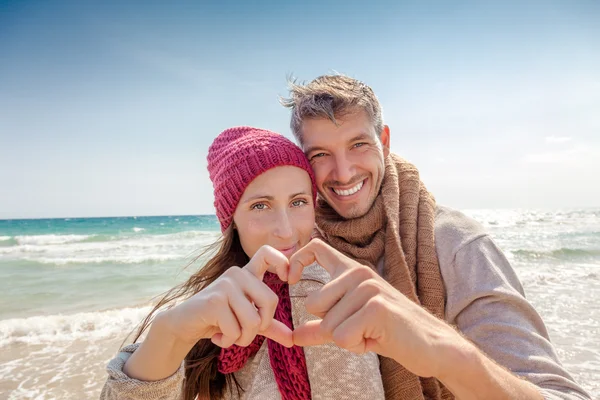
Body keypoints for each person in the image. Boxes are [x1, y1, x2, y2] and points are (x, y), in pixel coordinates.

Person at [278, 74, 592, 400]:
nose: (343, 173)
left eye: (358, 145)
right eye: (320, 155)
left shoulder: (457, 244)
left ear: (384, 141)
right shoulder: (297, 250)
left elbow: (563, 395)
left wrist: (443, 352)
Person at [100, 126, 386, 399]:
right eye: (260, 206)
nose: (285, 230)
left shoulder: (347, 282)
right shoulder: (214, 305)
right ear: (231, 220)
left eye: (298, 202)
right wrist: (170, 332)